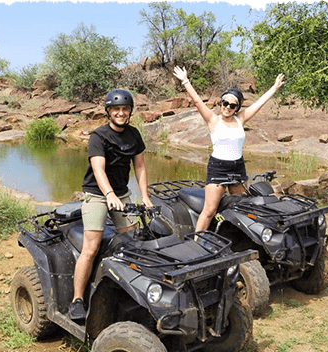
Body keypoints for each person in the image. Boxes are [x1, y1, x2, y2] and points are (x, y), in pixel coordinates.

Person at [69, 89, 153, 320]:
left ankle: (132, 290)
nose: (120, 113)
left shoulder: (134, 134)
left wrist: (144, 196)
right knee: (91, 246)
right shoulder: (99, 136)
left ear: (130, 112)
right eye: (116, 109)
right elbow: (98, 169)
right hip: (97, 193)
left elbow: (140, 167)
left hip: (122, 193)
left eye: (125, 109)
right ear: (108, 111)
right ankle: (77, 299)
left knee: (133, 241)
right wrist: (108, 194)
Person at [173, 66, 284, 233]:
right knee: (209, 211)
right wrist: (185, 81)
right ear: (221, 102)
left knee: (241, 205)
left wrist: (274, 87)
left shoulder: (241, 119)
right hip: (218, 167)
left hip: (238, 167)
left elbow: (260, 103)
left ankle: (237, 239)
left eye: (233, 105)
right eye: (225, 103)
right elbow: (197, 101)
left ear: (237, 108)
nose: (228, 107)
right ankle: (196, 241)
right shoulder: (213, 120)